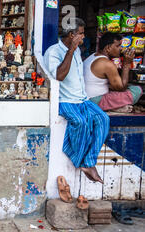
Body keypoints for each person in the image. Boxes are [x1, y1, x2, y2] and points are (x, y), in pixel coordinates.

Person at [44, 18, 110, 184]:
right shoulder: (54, 52)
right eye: (81, 33)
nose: (83, 36)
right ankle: (82, 161)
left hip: (82, 100)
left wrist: (74, 50)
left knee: (103, 119)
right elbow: (59, 76)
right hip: (65, 101)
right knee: (80, 122)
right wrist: (71, 50)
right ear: (72, 35)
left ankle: (88, 162)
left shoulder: (78, 51)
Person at [83, 32, 142, 113]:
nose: (121, 48)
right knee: (136, 90)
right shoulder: (106, 63)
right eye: (117, 46)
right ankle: (113, 107)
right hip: (93, 102)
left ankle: (114, 107)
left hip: (87, 99)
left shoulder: (93, 56)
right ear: (108, 48)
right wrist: (126, 64)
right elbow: (122, 88)